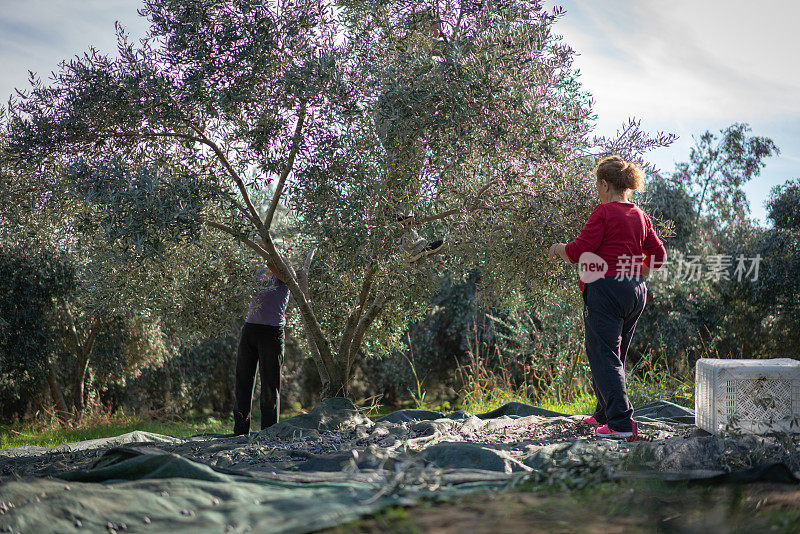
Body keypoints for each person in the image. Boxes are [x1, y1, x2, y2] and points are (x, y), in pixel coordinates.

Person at [548, 155, 666, 440]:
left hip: (606, 291)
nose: (596, 191)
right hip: (635, 292)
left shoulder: (602, 213)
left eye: (596, 185)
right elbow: (659, 256)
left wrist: (558, 248)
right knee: (614, 356)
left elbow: (578, 251)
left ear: (604, 184)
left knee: (604, 356)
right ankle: (604, 414)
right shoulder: (640, 215)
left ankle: (621, 425)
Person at [232, 262, 290, 435]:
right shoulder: (257, 269)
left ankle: (269, 433)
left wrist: (268, 256)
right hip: (249, 329)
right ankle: (240, 432)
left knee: (270, 385)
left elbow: (280, 273)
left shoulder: (285, 270)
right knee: (242, 381)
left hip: (272, 332)